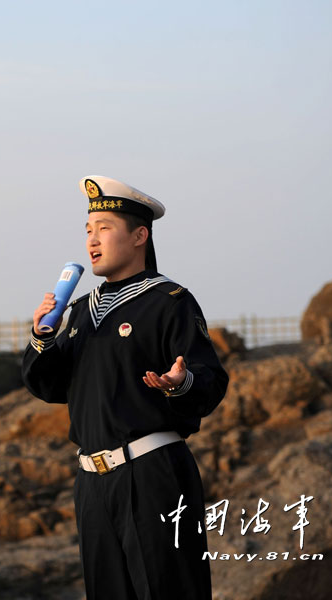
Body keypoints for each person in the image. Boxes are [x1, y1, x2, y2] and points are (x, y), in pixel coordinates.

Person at [22, 175, 229, 600]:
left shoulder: (169, 301)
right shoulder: (79, 312)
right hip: (92, 484)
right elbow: (48, 386)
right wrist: (43, 337)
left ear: (140, 236)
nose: (92, 241)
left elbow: (209, 381)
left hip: (153, 473)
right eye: (88, 231)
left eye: (104, 229)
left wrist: (180, 382)